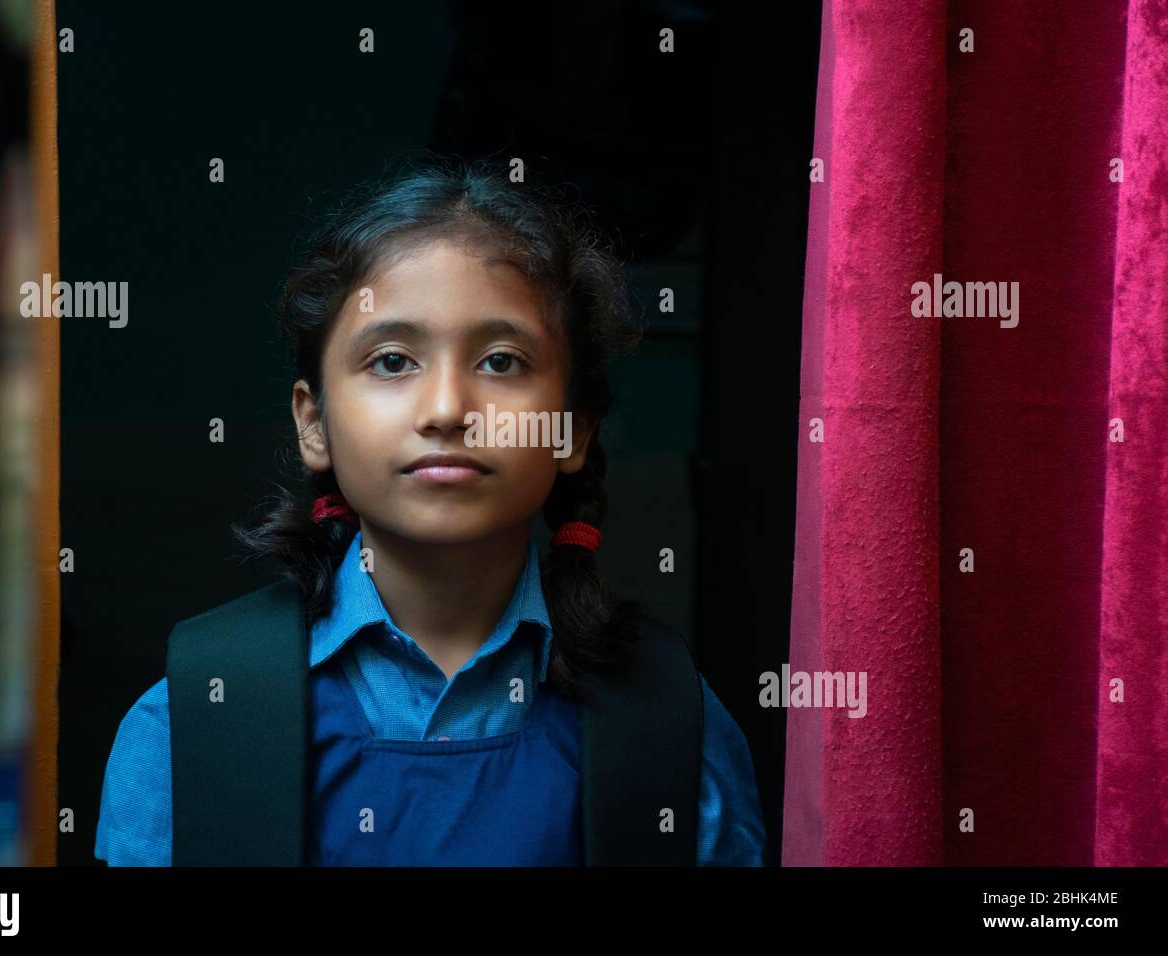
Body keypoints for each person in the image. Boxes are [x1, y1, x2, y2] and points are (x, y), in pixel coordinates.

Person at [94, 156, 765, 866]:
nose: (447, 410)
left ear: (573, 429)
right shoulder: (194, 719)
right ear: (313, 422)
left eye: (502, 361)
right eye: (391, 361)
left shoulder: (669, 722)